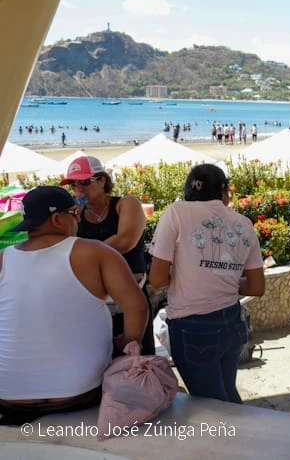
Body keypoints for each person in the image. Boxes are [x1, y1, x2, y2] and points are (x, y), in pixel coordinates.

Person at [0, 186, 147, 425]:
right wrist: (128, 344)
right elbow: (137, 307)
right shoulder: (95, 252)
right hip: (80, 393)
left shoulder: (3, 258)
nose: (78, 220)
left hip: (8, 396)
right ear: (57, 219)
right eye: (74, 213)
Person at [148, 164, 265, 403]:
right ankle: (243, 428)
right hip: (232, 321)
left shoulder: (177, 212)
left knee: (212, 406)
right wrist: (220, 280)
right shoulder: (243, 223)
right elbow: (256, 287)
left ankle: (236, 429)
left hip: (192, 326)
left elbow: (157, 279)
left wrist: (196, 277)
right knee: (227, 395)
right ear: (224, 191)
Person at [61, 155, 154, 355]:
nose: (79, 189)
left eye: (84, 182)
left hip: (129, 306)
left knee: (135, 366)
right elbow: (65, 253)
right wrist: (72, 220)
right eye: (74, 184)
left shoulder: (125, 204)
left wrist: (86, 255)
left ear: (102, 180)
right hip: (93, 307)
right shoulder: (76, 216)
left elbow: (125, 241)